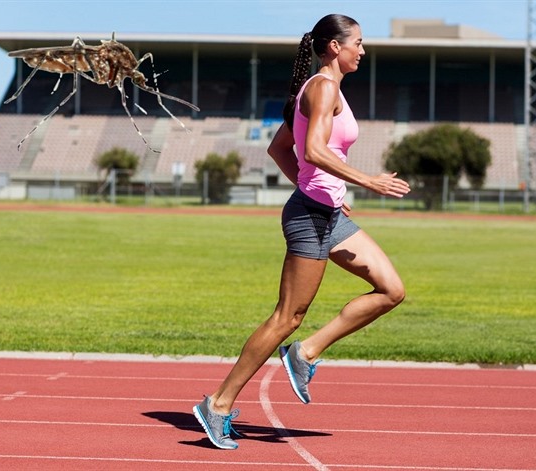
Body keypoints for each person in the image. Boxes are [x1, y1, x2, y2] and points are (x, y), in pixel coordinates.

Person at [193, 13, 411, 450]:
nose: (362, 51)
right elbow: (311, 149)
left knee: (391, 289)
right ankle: (217, 405)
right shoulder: (324, 87)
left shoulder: (321, 89)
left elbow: (280, 148)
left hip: (329, 212)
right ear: (335, 46)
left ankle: (305, 353)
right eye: (359, 43)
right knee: (286, 317)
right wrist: (368, 181)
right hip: (310, 217)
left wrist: (325, 186)